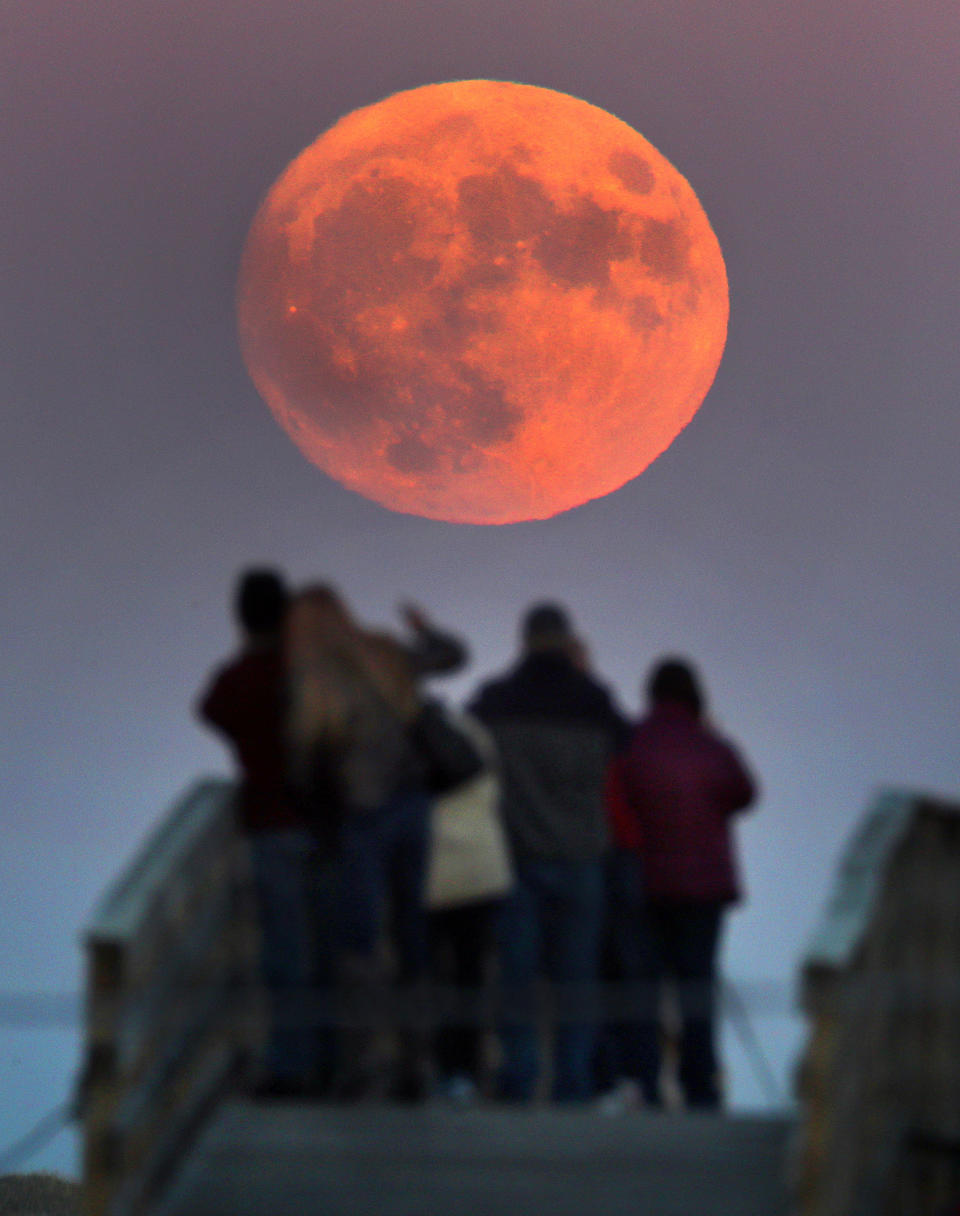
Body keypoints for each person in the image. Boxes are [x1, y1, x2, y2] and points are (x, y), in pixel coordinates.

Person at [284, 586, 468, 1101]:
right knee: (413, 936)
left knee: (360, 944)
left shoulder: (314, 677)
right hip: (413, 808)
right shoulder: (386, 652)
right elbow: (453, 656)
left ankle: (364, 1064)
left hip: (363, 817)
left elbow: (303, 763)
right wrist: (424, 628)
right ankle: (417, 1062)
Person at [469, 603, 630, 1102]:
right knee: (577, 982)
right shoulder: (595, 703)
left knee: (518, 978)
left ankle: (519, 1079)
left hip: (517, 855)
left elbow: (465, 751)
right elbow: (625, 750)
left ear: (525, 640)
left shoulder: (496, 702)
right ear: (566, 641)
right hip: (582, 857)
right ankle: (573, 1086)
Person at [198, 567, 332, 1097]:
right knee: (325, 950)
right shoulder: (309, 672)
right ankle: (329, 1062)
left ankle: (289, 1066)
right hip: (325, 829)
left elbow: (210, 711)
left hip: (270, 829)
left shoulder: (241, 679)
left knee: (283, 954)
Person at [606, 658, 757, 1110]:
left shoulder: (631, 741)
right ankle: (701, 1088)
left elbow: (615, 801)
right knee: (696, 990)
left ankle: (646, 1085)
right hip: (703, 890)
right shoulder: (713, 746)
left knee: (645, 989)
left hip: (645, 885)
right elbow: (745, 793)